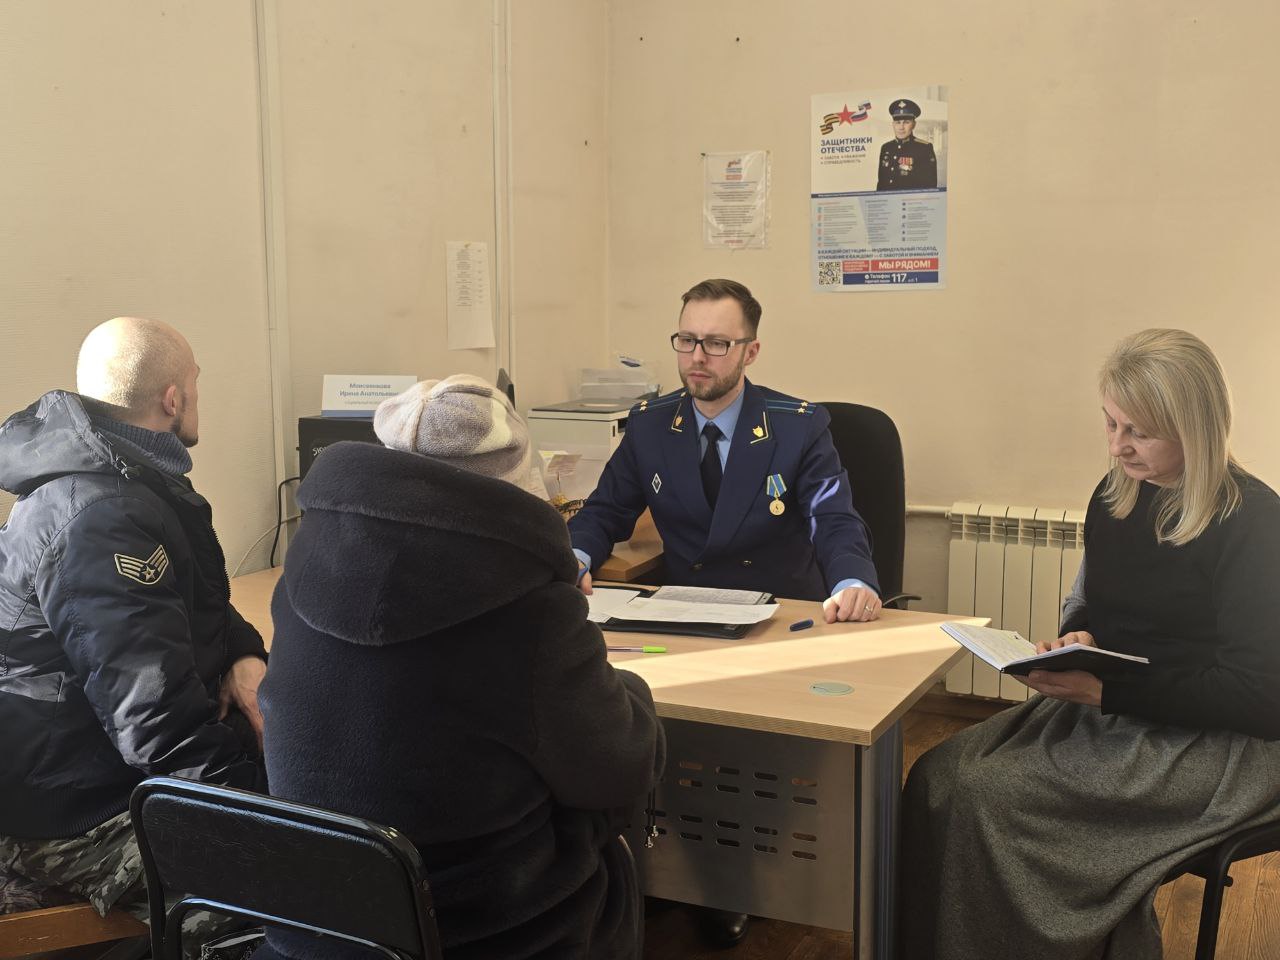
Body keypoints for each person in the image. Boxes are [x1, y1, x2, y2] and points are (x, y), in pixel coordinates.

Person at [899, 329, 1280, 960]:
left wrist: (1106, 691)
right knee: (936, 776)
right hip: (1124, 707)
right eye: (1110, 423)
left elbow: (1260, 697)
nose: (1117, 445)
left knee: (993, 797)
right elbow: (1100, 604)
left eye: (1140, 432)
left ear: (1196, 429)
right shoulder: (1115, 495)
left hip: (1218, 741)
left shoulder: (1255, 523)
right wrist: (1082, 635)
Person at [257, 375, 665, 960]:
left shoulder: (300, 569)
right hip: (490, 934)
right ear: (516, 485)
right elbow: (621, 767)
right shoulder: (532, 612)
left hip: (319, 928)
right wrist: (626, 686)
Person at [568, 279, 880, 946]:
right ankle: (676, 867)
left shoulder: (797, 426)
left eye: (715, 343)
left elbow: (834, 518)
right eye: (686, 340)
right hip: (689, 615)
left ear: (750, 351)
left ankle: (739, 875)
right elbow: (605, 511)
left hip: (777, 618)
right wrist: (574, 555)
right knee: (648, 723)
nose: (697, 358)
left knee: (754, 751)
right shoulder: (651, 425)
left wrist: (852, 579)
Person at [0, 317, 266, 923]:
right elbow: (151, 717)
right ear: (173, 398)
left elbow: (192, 601)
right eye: (196, 381)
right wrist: (259, 812)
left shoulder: (125, 478)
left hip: (97, 763)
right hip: (73, 812)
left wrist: (244, 655)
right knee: (312, 881)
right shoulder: (102, 516)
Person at [876, 98, 937, 191]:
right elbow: (881, 184)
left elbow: (930, 187)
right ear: (893, 124)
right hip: (887, 199)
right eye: (898, 122)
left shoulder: (924, 148)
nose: (901, 127)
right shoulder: (886, 148)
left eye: (906, 122)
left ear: (914, 124)